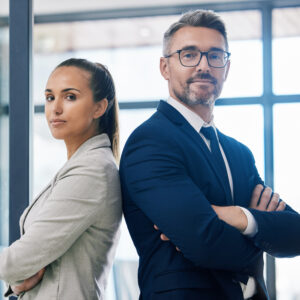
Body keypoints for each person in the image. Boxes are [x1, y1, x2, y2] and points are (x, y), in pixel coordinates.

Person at [120, 10, 300, 300]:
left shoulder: (239, 153)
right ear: (165, 68)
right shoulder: (150, 142)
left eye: (215, 56)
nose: (204, 65)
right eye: (189, 55)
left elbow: (295, 234)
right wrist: (261, 234)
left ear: (226, 69)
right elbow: (204, 242)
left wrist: (240, 217)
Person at [0, 58, 122, 299]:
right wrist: (16, 282)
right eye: (49, 97)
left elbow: (18, 261)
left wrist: (16, 271)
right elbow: (28, 264)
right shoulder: (81, 165)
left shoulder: (92, 171)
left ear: (99, 107)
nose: (55, 109)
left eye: (70, 97)